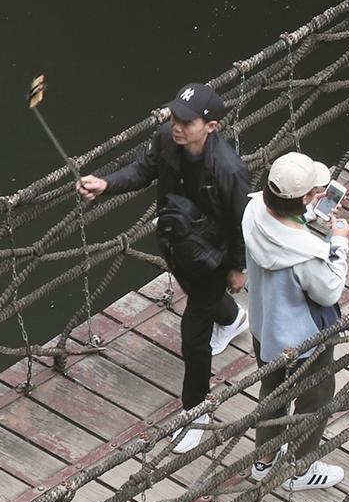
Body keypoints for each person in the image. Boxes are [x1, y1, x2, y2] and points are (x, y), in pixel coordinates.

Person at [76, 83, 250, 454]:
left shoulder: (229, 170)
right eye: (175, 117)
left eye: (188, 121)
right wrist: (105, 184)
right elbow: (142, 171)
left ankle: (197, 411)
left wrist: (238, 267)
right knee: (197, 297)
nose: (178, 126)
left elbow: (241, 221)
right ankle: (234, 320)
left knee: (193, 337)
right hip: (177, 245)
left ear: (212, 126)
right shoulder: (164, 140)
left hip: (212, 258)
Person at [241, 152, 347, 491]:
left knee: (272, 391)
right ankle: (302, 469)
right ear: (303, 198)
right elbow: (329, 290)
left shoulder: (253, 211)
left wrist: (305, 216)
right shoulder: (306, 252)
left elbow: (282, 227)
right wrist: (339, 241)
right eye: (314, 192)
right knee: (314, 397)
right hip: (303, 338)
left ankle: (264, 460)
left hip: (265, 324)